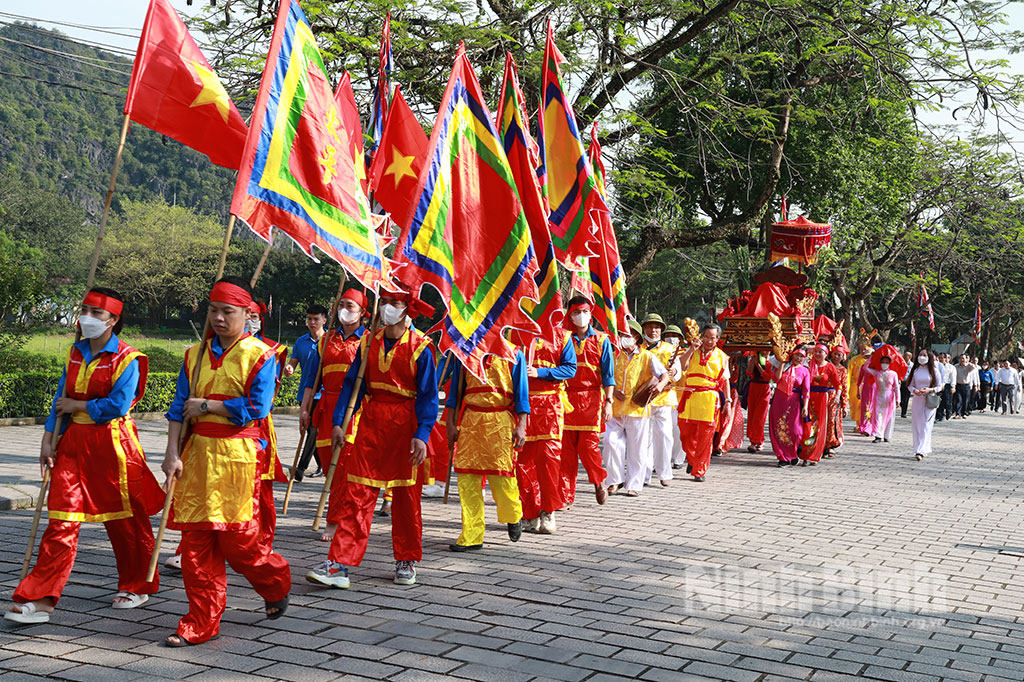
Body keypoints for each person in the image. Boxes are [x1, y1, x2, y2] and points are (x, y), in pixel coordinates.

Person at [6, 288, 164, 625]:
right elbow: (58, 402)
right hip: (74, 445)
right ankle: (40, 598)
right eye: (85, 310)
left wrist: (79, 406)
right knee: (60, 520)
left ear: (113, 320)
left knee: (125, 519)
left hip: (114, 447)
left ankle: (137, 584)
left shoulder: (128, 358)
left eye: (96, 313)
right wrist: (48, 439)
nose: (87, 318)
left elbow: (118, 405)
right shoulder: (74, 353)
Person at [161, 276, 291, 646]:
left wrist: (208, 405)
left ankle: (275, 581)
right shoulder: (194, 354)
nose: (218, 318)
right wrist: (171, 454)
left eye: (227, 311)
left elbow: (256, 407)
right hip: (197, 456)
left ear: (246, 313)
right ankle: (199, 623)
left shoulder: (262, 355)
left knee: (241, 546)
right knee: (196, 544)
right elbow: (177, 409)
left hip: (238, 457)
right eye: (213, 310)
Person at [305, 288, 437, 589]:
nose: (388, 308)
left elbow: (428, 397)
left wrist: (422, 434)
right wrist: (339, 422)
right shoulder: (368, 343)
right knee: (357, 495)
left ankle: (406, 559)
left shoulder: (421, 347)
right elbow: (352, 387)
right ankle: (339, 564)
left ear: (407, 309)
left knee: (405, 499)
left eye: (395, 304)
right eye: (385, 303)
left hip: (406, 425)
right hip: (371, 424)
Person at [298, 290, 367, 542]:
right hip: (326, 408)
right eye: (342, 305)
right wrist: (306, 409)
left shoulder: (368, 340)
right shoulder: (326, 340)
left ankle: (335, 519)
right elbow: (311, 380)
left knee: (344, 466)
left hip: (353, 410)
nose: (344, 309)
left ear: (362, 312)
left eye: (350, 306)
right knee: (329, 466)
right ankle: (344, 513)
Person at [447, 346, 529, 550]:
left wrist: (521, 425)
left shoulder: (514, 353)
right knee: (467, 479)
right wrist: (450, 423)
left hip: (500, 421)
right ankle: (472, 535)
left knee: (502, 478)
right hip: (471, 421)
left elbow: (521, 393)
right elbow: (454, 393)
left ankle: (513, 515)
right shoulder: (463, 353)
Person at [516, 329, 576, 534]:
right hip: (522, 406)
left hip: (550, 405)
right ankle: (528, 513)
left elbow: (570, 369)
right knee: (522, 464)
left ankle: (548, 510)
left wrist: (540, 373)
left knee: (548, 461)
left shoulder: (562, 336)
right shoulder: (516, 332)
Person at [604, 320, 667, 496]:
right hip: (615, 408)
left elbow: (664, 374)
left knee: (637, 449)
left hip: (638, 408)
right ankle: (614, 480)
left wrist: (660, 386)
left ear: (636, 337)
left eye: (627, 334)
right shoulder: (613, 354)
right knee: (610, 443)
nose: (624, 338)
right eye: (621, 334)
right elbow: (602, 376)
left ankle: (634, 484)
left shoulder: (647, 356)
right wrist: (613, 391)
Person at [561, 297, 614, 507]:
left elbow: (608, 375)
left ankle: (598, 481)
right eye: (576, 312)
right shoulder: (564, 338)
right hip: (567, 398)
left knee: (589, 447)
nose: (580, 316)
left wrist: (608, 402)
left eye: (584, 311)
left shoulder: (602, 340)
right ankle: (565, 496)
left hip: (591, 398)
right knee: (565, 450)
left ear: (590, 314)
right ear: (570, 315)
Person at [247, 301, 289, 556]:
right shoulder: (209, 349)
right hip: (213, 428)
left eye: (254, 316)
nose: (250, 320)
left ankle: (262, 541)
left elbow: (263, 398)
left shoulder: (272, 350)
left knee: (261, 487)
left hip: (258, 425)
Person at [676, 323, 730, 482]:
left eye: (712, 338)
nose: (708, 341)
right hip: (690, 397)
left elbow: (725, 381)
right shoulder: (692, 351)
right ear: (701, 336)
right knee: (686, 434)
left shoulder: (722, 357)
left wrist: (728, 400)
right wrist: (691, 349)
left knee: (706, 437)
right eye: (706, 337)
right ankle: (692, 460)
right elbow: (682, 365)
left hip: (709, 399)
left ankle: (699, 470)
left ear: (717, 339)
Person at [640, 313, 680, 486]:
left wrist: (673, 373)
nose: (653, 330)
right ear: (644, 329)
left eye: (657, 327)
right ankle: (645, 475)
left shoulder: (670, 349)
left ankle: (664, 473)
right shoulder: (638, 348)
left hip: (664, 398)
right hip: (643, 399)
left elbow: (677, 372)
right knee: (644, 438)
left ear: (661, 330)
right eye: (650, 326)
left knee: (665, 436)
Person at [290, 304, 328, 479]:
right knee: (308, 429)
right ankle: (322, 465)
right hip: (304, 392)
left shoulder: (329, 340)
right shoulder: (300, 341)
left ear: (324, 320)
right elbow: (293, 362)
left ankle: (300, 468)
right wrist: (289, 368)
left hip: (322, 393)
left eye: (316, 319)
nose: (312, 322)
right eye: (309, 319)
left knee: (313, 429)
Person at [769, 345, 810, 467]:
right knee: (778, 429)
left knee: (795, 431)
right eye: (797, 355)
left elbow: (806, 390)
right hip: (779, 401)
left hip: (795, 402)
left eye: (802, 356)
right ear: (792, 354)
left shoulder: (805, 371)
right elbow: (776, 379)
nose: (799, 358)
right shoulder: (785, 367)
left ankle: (793, 452)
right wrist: (782, 362)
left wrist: (805, 406)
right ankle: (782, 457)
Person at [800, 344, 841, 466]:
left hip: (822, 399)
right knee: (807, 426)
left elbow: (838, 384)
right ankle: (805, 455)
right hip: (808, 397)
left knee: (818, 427)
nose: (817, 354)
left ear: (826, 354)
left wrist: (838, 396)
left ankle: (814, 455)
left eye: (820, 352)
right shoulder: (807, 365)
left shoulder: (830, 367)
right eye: (816, 351)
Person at [908, 350, 941, 461]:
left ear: (929, 357)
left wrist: (930, 389)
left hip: (929, 400)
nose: (922, 357)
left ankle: (921, 451)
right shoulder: (915, 370)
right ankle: (918, 448)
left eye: (924, 355)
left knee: (926, 425)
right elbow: (910, 385)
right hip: (917, 400)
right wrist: (915, 391)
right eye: (920, 355)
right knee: (917, 425)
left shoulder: (934, 371)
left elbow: (940, 386)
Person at [662, 325, 687, 469]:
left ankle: (678, 458)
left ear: (680, 339)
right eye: (668, 335)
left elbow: (684, 366)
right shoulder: (659, 352)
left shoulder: (685, 353)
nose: (671, 338)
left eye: (675, 335)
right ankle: (661, 459)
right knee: (664, 431)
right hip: (663, 397)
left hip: (681, 397)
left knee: (678, 430)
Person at [866, 356, 900, 443]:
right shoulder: (877, 373)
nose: (884, 364)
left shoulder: (893, 374)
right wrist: (871, 357)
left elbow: (896, 387)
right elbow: (865, 368)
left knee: (889, 417)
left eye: (886, 362)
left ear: (889, 363)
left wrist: (898, 399)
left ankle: (887, 435)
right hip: (878, 397)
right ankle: (878, 435)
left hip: (889, 397)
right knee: (878, 416)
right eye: (882, 362)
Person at [745, 352, 773, 452]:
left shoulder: (771, 361)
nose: (765, 352)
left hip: (764, 389)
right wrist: (753, 361)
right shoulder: (754, 359)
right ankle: (756, 440)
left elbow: (768, 377)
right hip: (753, 387)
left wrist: (759, 366)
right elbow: (748, 373)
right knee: (752, 415)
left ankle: (756, 441)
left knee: (760, 416)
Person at [824, 347, 849, 458]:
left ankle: (830, 445)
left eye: (839, 355)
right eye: (835, 354)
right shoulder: (824, 365)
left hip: (834, 397)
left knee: (831, 421)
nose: (836, 356)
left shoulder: (843, 370)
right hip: (821, 395)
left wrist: (844, 405)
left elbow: (844, 387)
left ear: (843, 357)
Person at [847, 343, 870, 432]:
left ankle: (865, 425)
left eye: (865, 349)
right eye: (861, 349)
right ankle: (858, 424)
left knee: (865, 406)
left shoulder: (871, 361)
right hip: (856, 386)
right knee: (856, 406)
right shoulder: (854, 359)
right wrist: (848, 386)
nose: (863, 351)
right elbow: (849, 373)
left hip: (867, 385)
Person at [952, 354, 974, 419]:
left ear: (966, 359)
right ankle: (958, 413)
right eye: (961, 358)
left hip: (966, 385)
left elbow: (973, 368)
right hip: (958, 385)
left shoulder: (968, 366)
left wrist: (970, 363)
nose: (962, 360)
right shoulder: (956, 366)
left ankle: (964, 413)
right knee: (959, 400)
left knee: (965, 400)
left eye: (963, 358)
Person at [936, 353, 955, 422]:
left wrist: (953, 386)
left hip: (947, 385)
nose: (941, 359)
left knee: (947, 400)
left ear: (946, 359)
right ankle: (939, 415)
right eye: (940, 358)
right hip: (938, 384)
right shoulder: (936, 366)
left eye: (943, 358)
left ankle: (948, 412)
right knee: (939, 400)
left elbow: (953, 377)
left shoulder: (951, 367)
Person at [899, 351, 913, 418]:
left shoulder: (912, 365)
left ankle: (904, 413)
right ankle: (902, 405)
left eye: (906, 356)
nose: (904, 357)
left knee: (906, 398)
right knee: (901, 397)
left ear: (909, 357)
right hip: (901, 382)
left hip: (908, 383)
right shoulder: (901, 364)